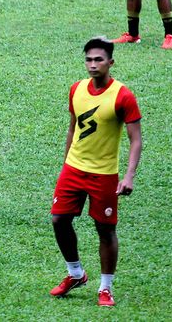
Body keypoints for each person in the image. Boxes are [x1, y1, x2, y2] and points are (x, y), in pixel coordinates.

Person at [49, 37, 142, 307]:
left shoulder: (123, 96)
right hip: (74, 170)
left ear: (110, 62)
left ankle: (105, 288)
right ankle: (75, 273)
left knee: (105, 229)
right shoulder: (76, 89)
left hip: (104, 175)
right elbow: (72, 128)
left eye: (98, 59)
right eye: (89, 59)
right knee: (59, 219)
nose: (92, 65)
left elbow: (136, 139)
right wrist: (66, 163)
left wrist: (128, 176)